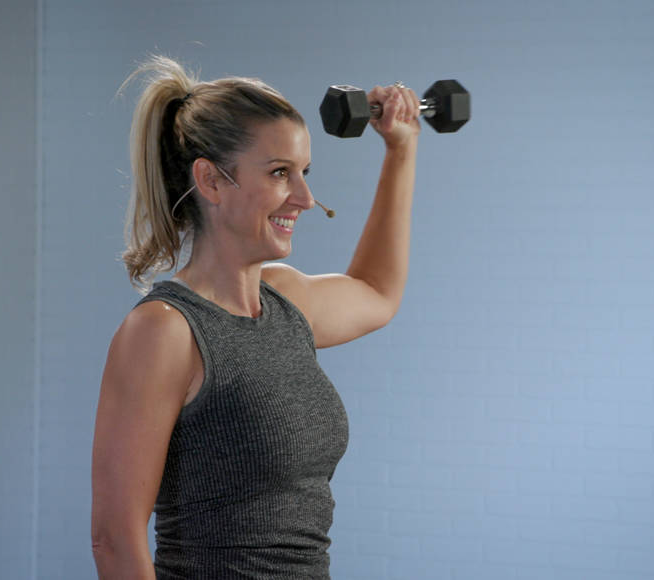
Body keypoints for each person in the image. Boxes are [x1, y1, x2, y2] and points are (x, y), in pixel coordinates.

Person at [91, 55, 420, 579]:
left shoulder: (286, 303)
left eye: (304, 173)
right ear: (212, 181)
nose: (306, 198)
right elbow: (114, 539)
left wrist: (401, 149)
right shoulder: (165, 331)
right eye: (279, 173)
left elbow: (377, 293)